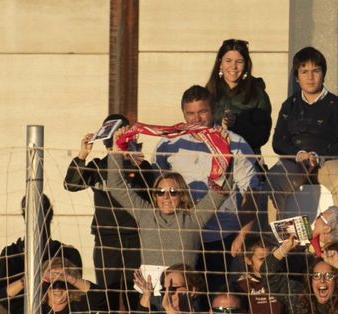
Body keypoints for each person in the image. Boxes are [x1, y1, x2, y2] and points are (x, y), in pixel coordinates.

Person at [154, 85, 264, 287]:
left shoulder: (235, 143)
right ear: (183, 113)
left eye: (202, 111)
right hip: (182, 236)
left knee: (217, 296)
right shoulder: (168, 144)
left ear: (213, 110)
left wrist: (241, 236)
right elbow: (157, 188)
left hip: (222, 236)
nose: (196, 118)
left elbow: (252, 192)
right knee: (181, 295)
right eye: (190, 113)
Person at [102, 150, 229, 280]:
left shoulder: (193, 218)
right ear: (155, 195)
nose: (166, 197)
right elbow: (116, 186)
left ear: (182, 194)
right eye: (160, 192)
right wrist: (117, 150)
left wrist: (224, 151)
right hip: (150, 289)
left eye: (173, 192)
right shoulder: (146, 214)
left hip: (182, 289)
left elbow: (222, 189)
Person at [65, 118, 154, 293]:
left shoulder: (141, 167)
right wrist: (82, 155)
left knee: (136, 293)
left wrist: (134, 161)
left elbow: (153, 200)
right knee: (107, 293)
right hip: (107, 239)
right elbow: (71, 185)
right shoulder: (99, 166)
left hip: (136, 238)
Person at [270, 46, 338, 213]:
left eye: (315, 71)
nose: (310, 77)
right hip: (295, 163)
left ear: (323, 74)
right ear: (297, 77)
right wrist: (299, 154)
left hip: (328, 162)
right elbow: (278, 142)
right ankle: (275, 230)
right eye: (304, 72)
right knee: (273, 180)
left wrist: (318, 156)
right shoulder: (289, 105)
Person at [206, 38, 272, 152]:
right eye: (228, 61)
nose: (233, 66)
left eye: (239, 62)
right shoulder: (208, 93)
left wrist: (237, 123)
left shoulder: (258, 94)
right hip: (212, 156)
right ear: (220, 63)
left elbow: (262, 136)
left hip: (247, 157)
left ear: (246, 65)